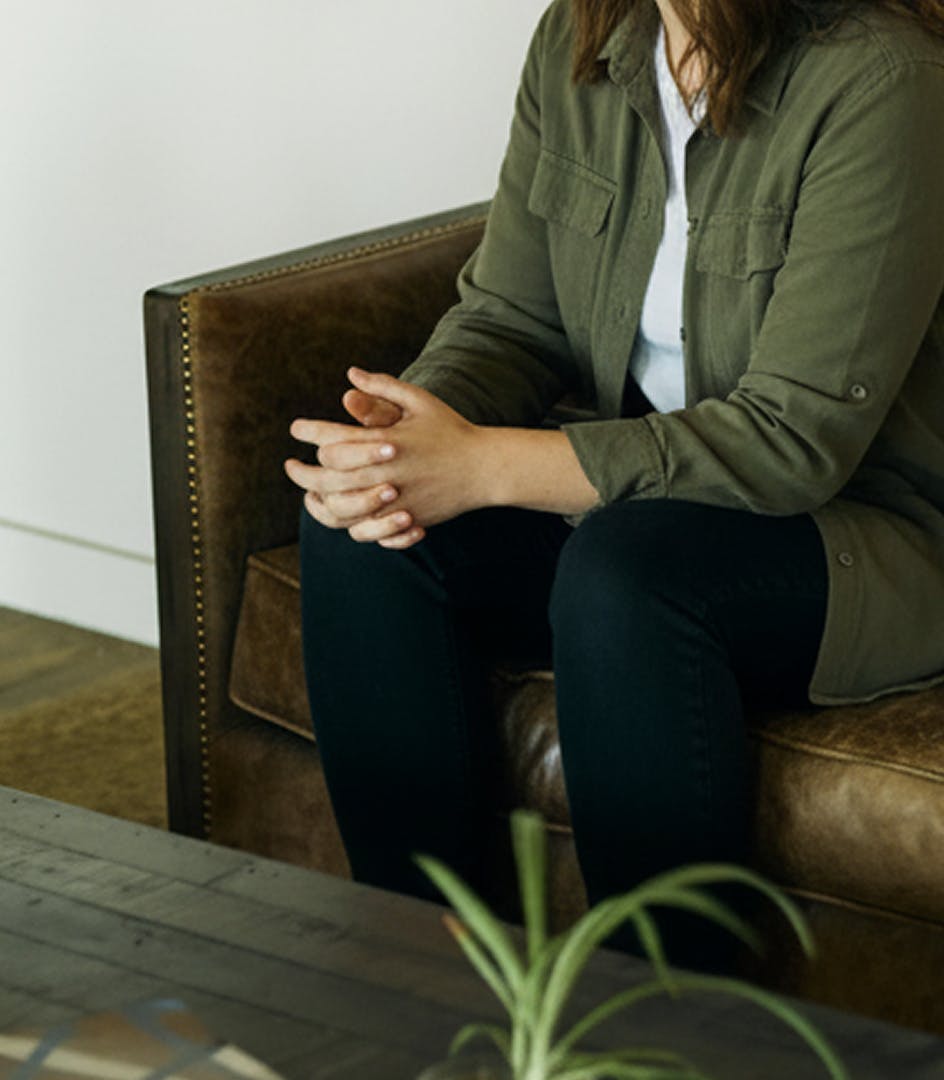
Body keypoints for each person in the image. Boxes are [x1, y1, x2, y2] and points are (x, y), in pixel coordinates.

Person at [284, 0, 944, 970]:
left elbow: (793, 440)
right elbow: (513, 317)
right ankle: (431, 996)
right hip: (638, 494)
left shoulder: (884, 79)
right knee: (370, 529)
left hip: (861, 533)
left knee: (624, 572)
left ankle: (675, 1034)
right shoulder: (582, 37)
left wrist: (485, 466)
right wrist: (401, 445)